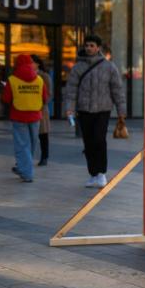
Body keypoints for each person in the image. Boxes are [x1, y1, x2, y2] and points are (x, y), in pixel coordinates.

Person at [64, 35, 127, 188]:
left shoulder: (109, 66)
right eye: (87, 45)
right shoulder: (78, 67)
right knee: (88, 143)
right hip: (84, 110)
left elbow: (117, 90)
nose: (89, 48)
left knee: (99, 140)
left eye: (92, 45)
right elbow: (71, 90)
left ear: (98, 48)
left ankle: (101, 173)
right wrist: (70, 108)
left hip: (102, 110)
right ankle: (93, 174)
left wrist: (121, 111)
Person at [3, 55, 48, 183]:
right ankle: (24, 167)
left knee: (22, 144)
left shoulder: (12, 80)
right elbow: (45, 99)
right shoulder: (39, 79)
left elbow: (6, 99)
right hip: (35, 116)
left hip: (18, 116)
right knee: (32, 143)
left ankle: (27, 172)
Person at [30, 55, 52, 166]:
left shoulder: (44, 76)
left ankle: (44, 157)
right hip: (28, 109)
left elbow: (49, 94)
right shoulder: (26, 76)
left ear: (37, 63)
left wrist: (41, 103)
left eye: (31, 62)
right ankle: (27, 158)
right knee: (29, 135)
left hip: (41, 109)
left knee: (43, 135)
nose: (29, 64)